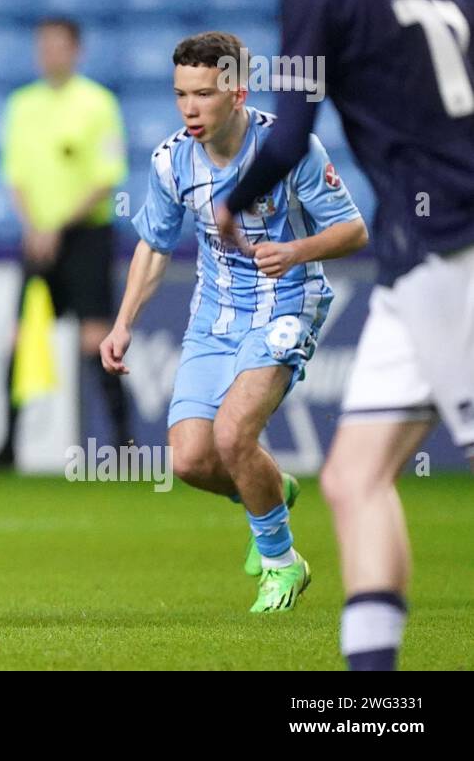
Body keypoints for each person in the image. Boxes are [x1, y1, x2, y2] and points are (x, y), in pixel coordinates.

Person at [218, 0, 474, 669]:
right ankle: (372, 694)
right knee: (351, 476)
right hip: (416, 267)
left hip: (454, 254)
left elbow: (287, 138)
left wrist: (232, 200)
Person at [101, 31, 367, 612]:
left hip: (288, 307)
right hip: (214, 318)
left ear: (238, 93)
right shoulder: (172, 160)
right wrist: (122, 324)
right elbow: (154, 246)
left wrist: (296, 251)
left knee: (232, 434)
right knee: (192, 460)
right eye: (180, 95)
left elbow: (354, 231)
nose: (190, 108)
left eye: (203, 94)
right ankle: (269, 486)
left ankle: (280, 563)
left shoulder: (290, 150)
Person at [0, 17, 131, 465]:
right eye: (43, 46)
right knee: (22, 338)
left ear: (76, 50)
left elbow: (105, 178)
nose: (49, 53)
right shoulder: (22, 104)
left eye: (58, 45)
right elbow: (15, 176)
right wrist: (35, 226)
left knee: (95, 339)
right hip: (37, 238)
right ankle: (9, 449)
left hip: (86, 236)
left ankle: (124, 444)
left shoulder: (98, 104)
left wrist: (57, 227)